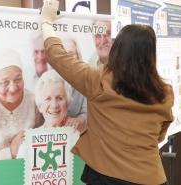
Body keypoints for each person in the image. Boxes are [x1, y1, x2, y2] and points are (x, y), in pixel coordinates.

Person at [40, 1, 174, 185]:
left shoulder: (99, 81)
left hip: (107, 177)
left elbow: (57, 56)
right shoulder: (165, 93)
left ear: (117, 49)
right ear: (150, 55)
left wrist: (46, 21)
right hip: (152, 177)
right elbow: (159, 135)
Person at [0, 48, 39, 161]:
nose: (13, 88)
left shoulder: (34, 101)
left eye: (18, 79)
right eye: (5, 82)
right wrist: (11, 152)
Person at [17, 69, 80, 157]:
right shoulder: (28, 142)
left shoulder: (78, 139)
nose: (54, 105)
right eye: (48, 99)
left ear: (67, 103)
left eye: (60, 98)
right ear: (39, 106)